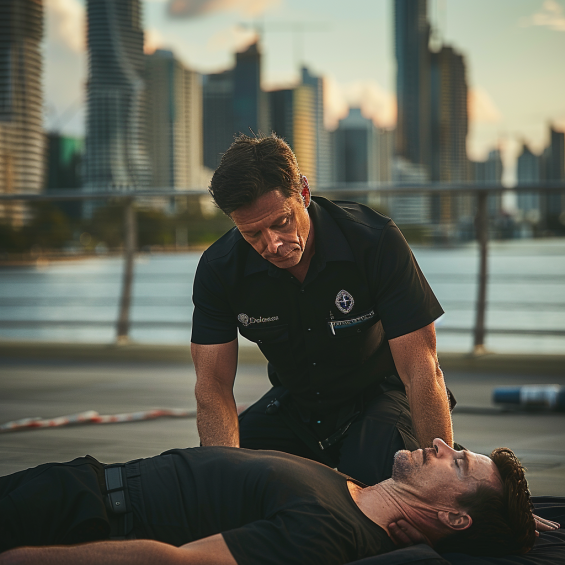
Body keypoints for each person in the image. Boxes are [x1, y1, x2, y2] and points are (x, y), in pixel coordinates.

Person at [191, 133, 453, 485]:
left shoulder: (375, 242)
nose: (273, 245)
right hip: (296, 403)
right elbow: (213, 387)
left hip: (379, 396)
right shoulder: (219, 269)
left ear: (303, 192)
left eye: (281, 222)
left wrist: (444, 481)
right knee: (214, 478)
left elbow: (421, 369)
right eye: (252, 234)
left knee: (380, 484)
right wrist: (226, 485)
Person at [0, 440, 538, 565]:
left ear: (452, 516)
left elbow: (180, 563)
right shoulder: (350, 489)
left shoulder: (325, 533)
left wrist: (24, 557)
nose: (443, 445)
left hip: (80, 518)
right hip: (78, 480)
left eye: (459, 463)